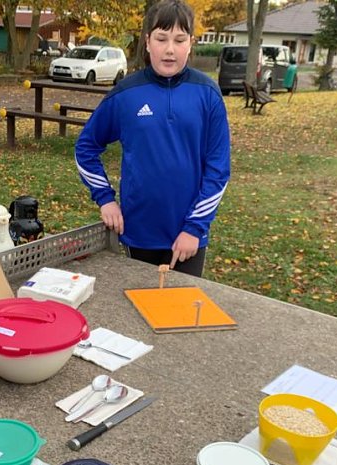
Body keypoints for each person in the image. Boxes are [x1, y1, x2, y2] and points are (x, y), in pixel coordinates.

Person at [75, 0, 231, 277]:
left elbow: (218, 169)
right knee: (134, 308)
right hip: (137, 232)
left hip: (187, 238)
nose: (170, 49)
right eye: (161, 38)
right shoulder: (126, 93)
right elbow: (85, 148)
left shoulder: (207, 93)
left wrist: (194, 229)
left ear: (191, 43)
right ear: (148, 42)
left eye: (179, 40)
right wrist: (105, 199)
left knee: (180, 312)